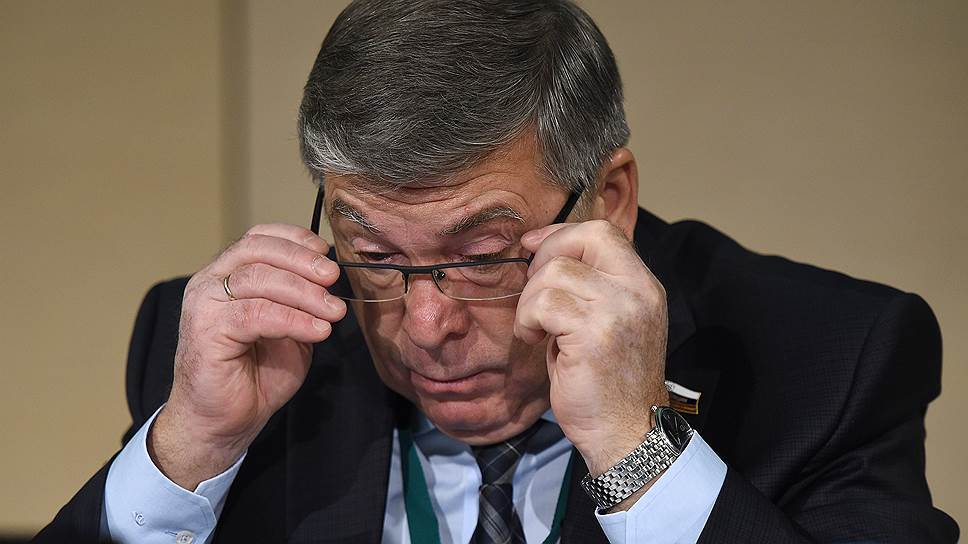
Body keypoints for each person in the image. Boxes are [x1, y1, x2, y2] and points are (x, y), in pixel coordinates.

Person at [35, 0, 958, 542]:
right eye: (375, 256)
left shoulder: (829, 358)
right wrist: (188, 450)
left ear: (609, 198)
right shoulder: (238, 353)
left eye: (481, 258)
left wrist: (636, 450)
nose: (426, 326)